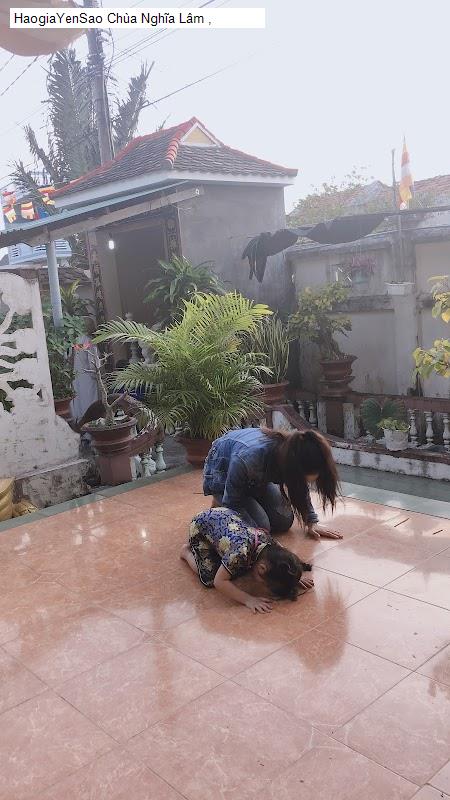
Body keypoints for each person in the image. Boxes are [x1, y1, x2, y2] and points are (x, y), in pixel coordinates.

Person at [203, 427, 342, 540]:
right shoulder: (249, 458)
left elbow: (300, 487)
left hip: (255, 479)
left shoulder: (293, 451)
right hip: (223, 476)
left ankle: (252, 499)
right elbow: (233, 503)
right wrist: (267, 543)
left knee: (284, 520)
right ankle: (219, 501)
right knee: (261, 529)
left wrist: (311, 521)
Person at [180, 506, 314, 613]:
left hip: (224, 514)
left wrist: (293, 577)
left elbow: (283, 555)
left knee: (235, 567)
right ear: (261, 568)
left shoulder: (268, 544)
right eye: (266, 585)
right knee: (210, 578)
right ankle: (186, 553)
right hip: (200, 526)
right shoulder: (239, 554)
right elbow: (219, 582)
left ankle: (218, 552)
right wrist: (248, 600)